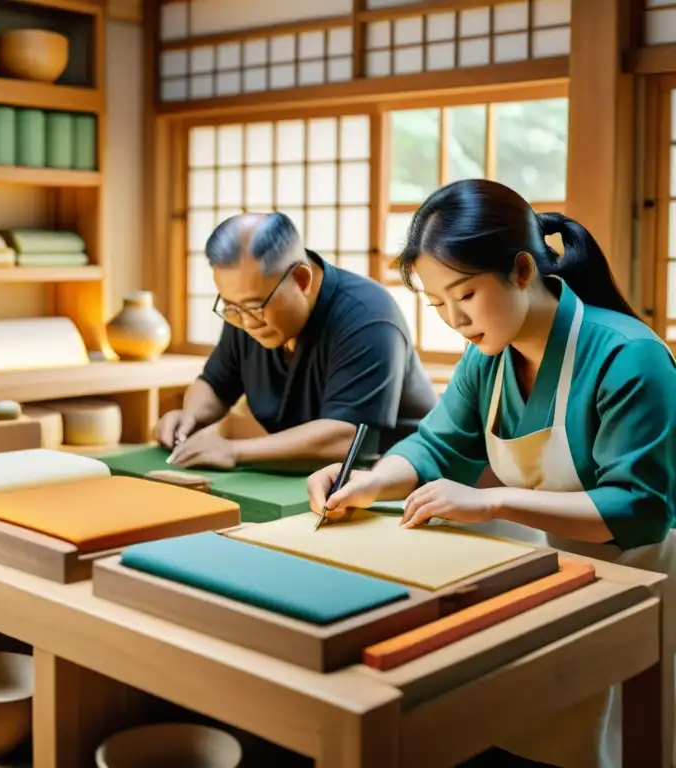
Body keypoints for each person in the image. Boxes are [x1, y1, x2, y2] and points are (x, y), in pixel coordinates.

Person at [306, 178, 676, 768]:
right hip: (552, 578)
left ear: (523, 269)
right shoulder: (489, 358)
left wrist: (495, 503)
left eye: (466, 294)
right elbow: (434, 447)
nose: (455, 319)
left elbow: (639, 511)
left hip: (635, 584)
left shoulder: (629, 356)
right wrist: (369, 481)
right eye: (438, 305)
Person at [155, 211, 438, 470]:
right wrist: (188, 418)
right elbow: (216, 383)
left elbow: (347, 436)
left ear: (302, 279)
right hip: (314, 476)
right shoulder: (243, 313)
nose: (247, 322)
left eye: (254, 306)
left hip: (402, 476)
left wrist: (234, 451)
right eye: (231, 306)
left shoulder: (369, 315)